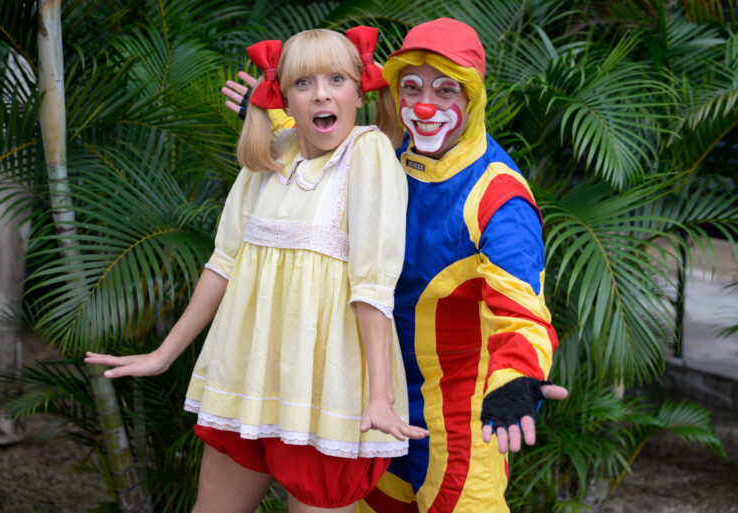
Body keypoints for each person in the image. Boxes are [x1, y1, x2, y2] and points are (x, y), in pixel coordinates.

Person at [222, 18, 568, 513]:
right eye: (411, 88)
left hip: (455, 420)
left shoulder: (499, 197)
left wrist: (515, 377)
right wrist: (275, 116)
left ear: (473, 97)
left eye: (445, 90)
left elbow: (520, 308)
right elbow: (322, 147)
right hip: (370, 400)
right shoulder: (383, 149)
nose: (425, 106)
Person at [86, 26, 429, 513]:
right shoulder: (270, 157)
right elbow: (223, 263)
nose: (322, 94)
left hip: (324, 389)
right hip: (248, 380)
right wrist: (164, 354)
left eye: (336, 79)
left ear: (359, 91)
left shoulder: (368, 153)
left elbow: (372, 285)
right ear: (284, 98)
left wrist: (380, 397)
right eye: (303, 83)